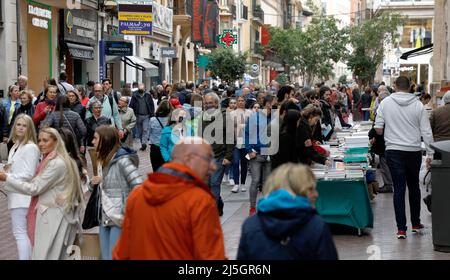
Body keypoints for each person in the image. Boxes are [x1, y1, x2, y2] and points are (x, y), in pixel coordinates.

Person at [113, 137, 226, 260]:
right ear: (189, 159)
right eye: (208, 159)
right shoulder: (199, 200)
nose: (213, 167)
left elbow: (121, 253)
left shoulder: (137, 196)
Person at [0, 127, 83, 259]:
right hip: (53, 214)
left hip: (54, 216)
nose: (41, 144)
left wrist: (7, 178)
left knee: (46, 255)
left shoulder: (56, 163)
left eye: (45, 140)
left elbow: (35, 188)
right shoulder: (53, 160)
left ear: (56, 142)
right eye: (39, 140)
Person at [374, 76, 434, 239]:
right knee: (413, 186)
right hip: (413, 150)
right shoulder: (418, 105)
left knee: (398, 188)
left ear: (394, 86)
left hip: (393, 150)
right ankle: (415, 223)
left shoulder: (385, 103)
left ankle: (401, 229)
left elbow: (378, 128)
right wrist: (430, 153)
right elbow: (426, 131)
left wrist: (391, 127)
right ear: (410, 87)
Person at [237, 163, 338, 260]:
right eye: (311, 189)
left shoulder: (250, 225)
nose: (316, 194)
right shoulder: (316, 225)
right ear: (299, 190)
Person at [90, 125, 143, 260]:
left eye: (95, 138)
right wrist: (94, 184)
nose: (92, 142)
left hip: (119, 218)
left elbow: (139, 186)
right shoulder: (103, 160)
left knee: (115, 256)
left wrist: (124, 211)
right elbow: (107, 186)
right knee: (107, 256)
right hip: (105, 215)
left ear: (105, 140)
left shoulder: (123, 161)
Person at [1, 115, 40, 260]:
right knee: (21, 233)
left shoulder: (30, 147)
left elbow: (28, 174)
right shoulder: (16, 146)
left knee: (21, 233)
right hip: (15, 194)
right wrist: (4, 171)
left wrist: (6, 177)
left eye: (24, 125)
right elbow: (12, 168)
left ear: (29, 128)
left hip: (23, 195)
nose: (20, 128)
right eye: (18, 125)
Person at [198, 93, 234, 216]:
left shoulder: (225, 116)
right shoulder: (202, 116)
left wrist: (228, 156)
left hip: (220, 155)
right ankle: (218, 204)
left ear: (216, 104)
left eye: (210, 103)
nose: (208, 105)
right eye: (206, 103)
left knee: (214, 183)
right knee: (207, 184)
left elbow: (230, 137)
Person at [245, 95, 275, 216]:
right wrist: (249, 150)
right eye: (274, 103)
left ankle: (266, 207)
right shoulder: (255, 117)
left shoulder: (274, 118)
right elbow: (246, 134)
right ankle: (252, 207)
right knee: (255, 180)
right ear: (268, 104)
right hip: (256, 154)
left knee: (267, 182)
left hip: (269, 154)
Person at [230, 96, 251, 193]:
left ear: (245, 102)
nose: (240, 102)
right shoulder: (232, 113)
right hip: (235, 142)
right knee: (235, 162)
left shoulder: (250, 113)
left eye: (242, 100)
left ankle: (242, 184)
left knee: (244, 163)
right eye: (239, 101)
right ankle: (236, 184)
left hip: (246, 142)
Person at [129, 83, 155, 151]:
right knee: (140, 131)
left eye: (142, 88)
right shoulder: (135, 96)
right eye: (139, 88)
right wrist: (131, 114)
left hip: (146, 115)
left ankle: (144, 143)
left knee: (145, 129)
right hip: (137, 115)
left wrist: (152, 114)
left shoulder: (148, 96)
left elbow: (151, 105)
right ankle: (142, 142)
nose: (141, 89)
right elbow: (131, 105)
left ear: (144, 89)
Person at [149, 100, 172, 172]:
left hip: (155, 148)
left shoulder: (152, 120)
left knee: (156, 170)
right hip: (167, 148)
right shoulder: (171, 121)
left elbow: (149, 133)